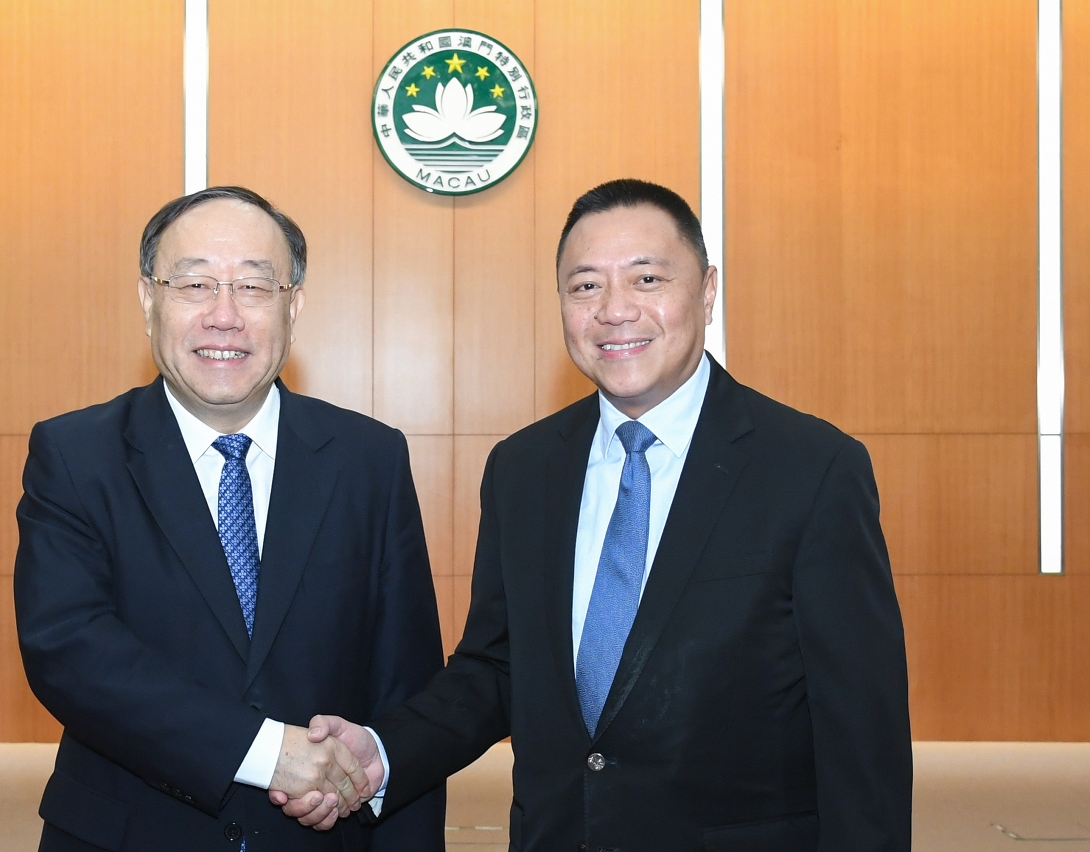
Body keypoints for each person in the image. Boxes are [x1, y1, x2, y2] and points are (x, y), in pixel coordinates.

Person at [282, 179, 913, 850]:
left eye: (647, 279)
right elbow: (498, 667)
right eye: (585, 286)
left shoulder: (812, 469)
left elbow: (861, 732)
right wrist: (385, 751)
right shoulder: (523, 469)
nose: (614, 310)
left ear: (707, 290)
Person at [14, 186, 446, 851]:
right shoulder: (76, 455)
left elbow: (405, 690)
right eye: (194, 285)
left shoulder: (369, 459)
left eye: (253, 287)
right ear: (148, 300)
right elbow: (70, 650)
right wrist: (263, 751)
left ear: (293, 307)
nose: (224, 316)